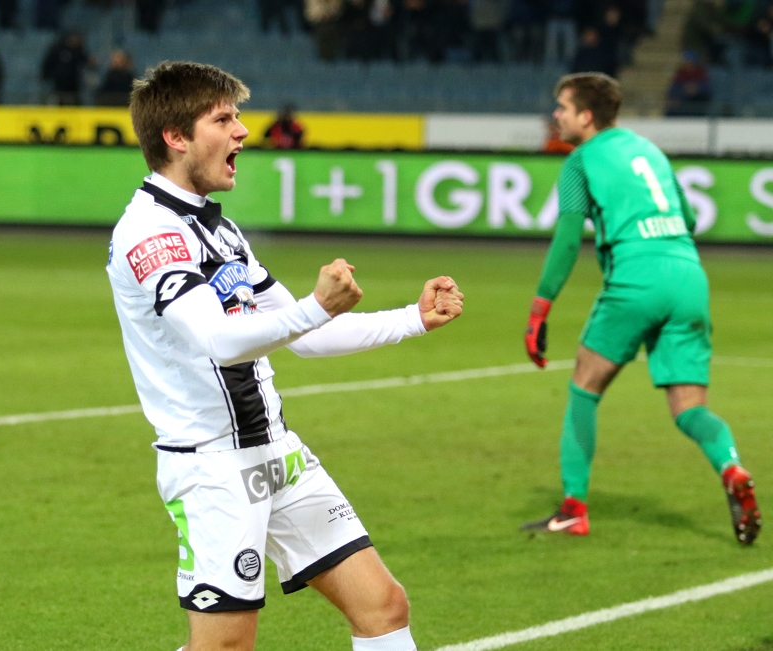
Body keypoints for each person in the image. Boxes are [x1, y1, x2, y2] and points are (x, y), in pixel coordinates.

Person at [106, 61, 465, 651]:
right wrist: (316, 307)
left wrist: (411, 319)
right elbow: (219, 340)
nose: (243, 131)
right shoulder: (152, 233)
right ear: (176, 137)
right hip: (213, 469)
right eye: (223, 118)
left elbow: (304, 336)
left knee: (383, 605)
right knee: (225, 645)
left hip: (278, 454)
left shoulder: (221, 232)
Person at [520, 73, 761, 546]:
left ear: (585, 117)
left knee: (585, 386)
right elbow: (689, 219)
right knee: (690, 406)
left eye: (563, 108)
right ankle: (731, 467)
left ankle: (573, 510)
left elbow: (568, 240)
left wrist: (539, 309)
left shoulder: (580, 162)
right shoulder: (648, 149)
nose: (556, 116)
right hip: (688, 276)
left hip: (637, 277)